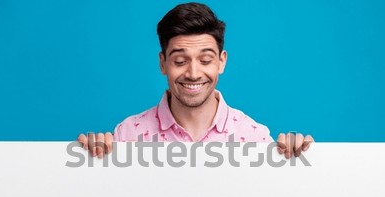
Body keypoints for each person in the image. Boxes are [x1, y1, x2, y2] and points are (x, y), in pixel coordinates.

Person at [78, 2, 313, 159]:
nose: (193, 73)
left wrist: (294, 159)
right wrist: (95, 158)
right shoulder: (128, 133)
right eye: (180, 61)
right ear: (163, 63)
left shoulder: (255, 136)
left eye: (205, 60)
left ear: (221, 62)